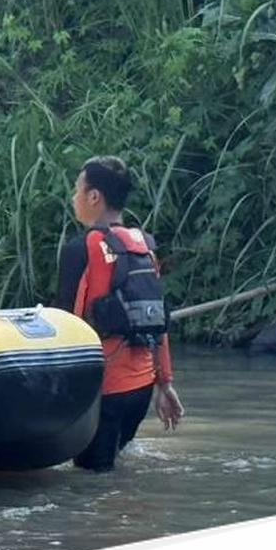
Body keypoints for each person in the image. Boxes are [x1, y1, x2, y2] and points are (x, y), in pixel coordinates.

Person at [55, 155, 185, 472]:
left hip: (104, 395)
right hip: (139, 392)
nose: (74, 197)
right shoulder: (142, 248)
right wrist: (164, 384)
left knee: (90, 488)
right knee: (114, 475)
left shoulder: (81, 248)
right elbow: (157, 321)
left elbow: (63, 325)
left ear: (94, 197)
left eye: (77, 189)